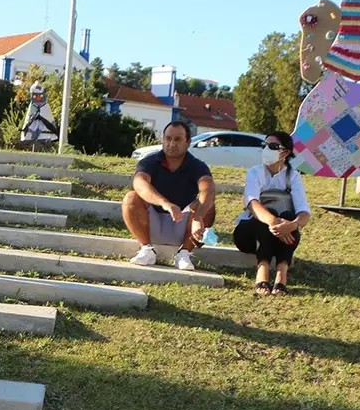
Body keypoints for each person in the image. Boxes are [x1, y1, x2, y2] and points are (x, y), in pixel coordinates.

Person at [122, 121, 216, 271]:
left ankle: (184, 253)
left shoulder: (197, 166)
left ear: (188, 142)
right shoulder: (150, 161)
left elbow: (208, 189)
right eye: (168, 138)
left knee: (208, 205)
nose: (171, 144)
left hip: (183, 225)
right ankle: (146, 249)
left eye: (177, 139)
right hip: (152, 222)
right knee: (131, 198)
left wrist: (198, 217)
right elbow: (140, 184)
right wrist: (165, 203)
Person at [233, 131, 310, 295]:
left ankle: (282, 272)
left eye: (273, 146)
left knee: (290, 219)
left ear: (286, 153)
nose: (267, 149)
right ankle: (263, 268)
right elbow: (252, 203)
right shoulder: (255, 172)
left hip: (278, 238)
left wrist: (291, 225)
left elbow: (304, 211)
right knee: (270, 214)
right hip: (249, 234)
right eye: (265, 145)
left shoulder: (293, 176)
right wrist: (274, 222)